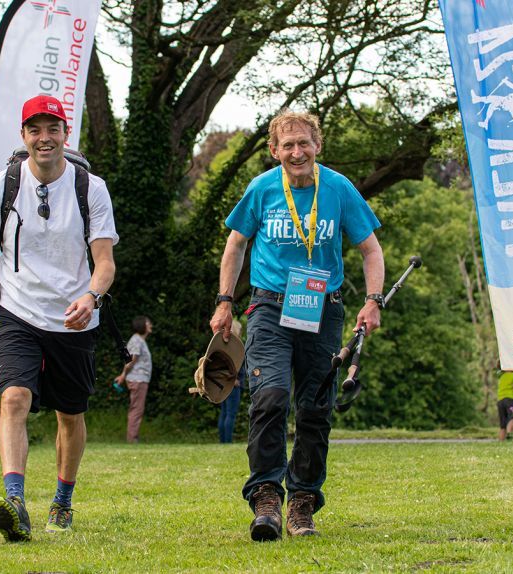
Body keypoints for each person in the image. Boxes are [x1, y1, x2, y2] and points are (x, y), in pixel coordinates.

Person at [0, 95, 118, 542]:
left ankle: (62, 501)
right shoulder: (0, 186)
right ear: (24, 136)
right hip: (15, 312)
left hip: (74, 318)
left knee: (70, 414)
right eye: (35, 130)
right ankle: (15, 501)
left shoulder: (90, 188)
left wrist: (91, 297)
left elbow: (104, 262)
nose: (45, 138)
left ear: (65, 134)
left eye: (53, 129)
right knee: (13, 399)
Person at [209, 110, 384, 541]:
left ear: (317, 145)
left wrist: (372, 302)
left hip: (324, 309)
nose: (296, 151)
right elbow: (235, 244)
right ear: (274, 151)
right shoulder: (262, 188)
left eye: (304, 142)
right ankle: (267, 496)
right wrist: (225, 301)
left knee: (314, 407)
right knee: (270, 395)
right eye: (287, 145)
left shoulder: (339, 189)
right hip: (269, 306)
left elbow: (371, 250)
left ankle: (303, 501)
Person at [115, 316, 153, 443]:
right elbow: (130, 361)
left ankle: (133, 438)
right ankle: (132, 439)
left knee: (136, 408)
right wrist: (123, 376)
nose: (150, 325)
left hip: (139, 379)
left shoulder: (139, 341)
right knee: (136, 409)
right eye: (148, 323)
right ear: (142, 325)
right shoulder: (136, 340)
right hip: (138, 379)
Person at [218, 318, 245, 444]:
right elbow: (231, 364)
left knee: (224, 413)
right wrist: (233, 379)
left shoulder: (223, 344)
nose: (241, 332)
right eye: (240, 329)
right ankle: (227, 442)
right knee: (230, 414)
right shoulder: (235, 346)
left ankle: (223, 441)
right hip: (232, 385)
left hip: (223, 384)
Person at [497, 370, 513, 441]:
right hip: (510, 399)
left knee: (503, 424)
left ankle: (501, 441)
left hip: (500, 400)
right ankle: (509, 437)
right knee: (512, 417)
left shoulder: (502, 376)